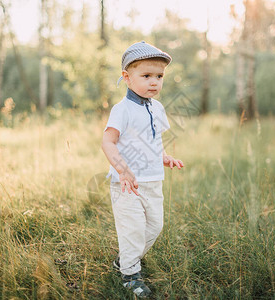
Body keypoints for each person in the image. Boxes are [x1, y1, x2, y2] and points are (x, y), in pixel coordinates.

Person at [102, 41, 184, 298]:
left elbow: (153, 139)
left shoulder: (157, 108)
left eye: (159, 76)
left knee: (155, 227)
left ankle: (125, 260)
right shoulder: (122, 110)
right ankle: (129, 274)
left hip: (152, 181)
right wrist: (123, 170)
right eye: (146, 75)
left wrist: (163, 156)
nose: (154, 82)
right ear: (127, 77)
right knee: (133, 229)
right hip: (126, 183)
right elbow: (108, 141)